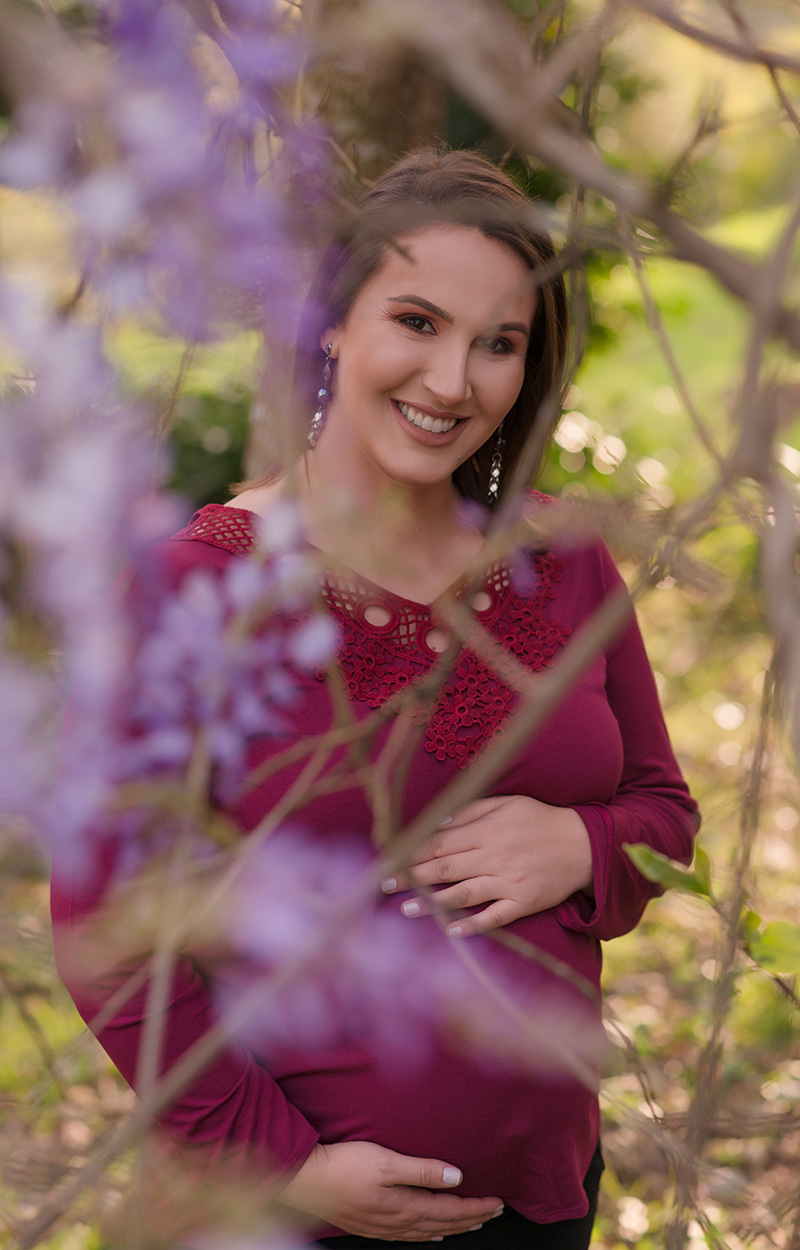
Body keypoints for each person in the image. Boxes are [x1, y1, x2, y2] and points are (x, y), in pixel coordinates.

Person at [51, 148, 699, 1249]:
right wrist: (284, 1164)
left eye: (498, 343)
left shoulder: (565, 561)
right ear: (331, 325)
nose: (452, 381)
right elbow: (102, 928)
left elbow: (662, 816)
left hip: (539, 1195)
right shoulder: (191, 594)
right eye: (416, 321)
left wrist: (582, 848)